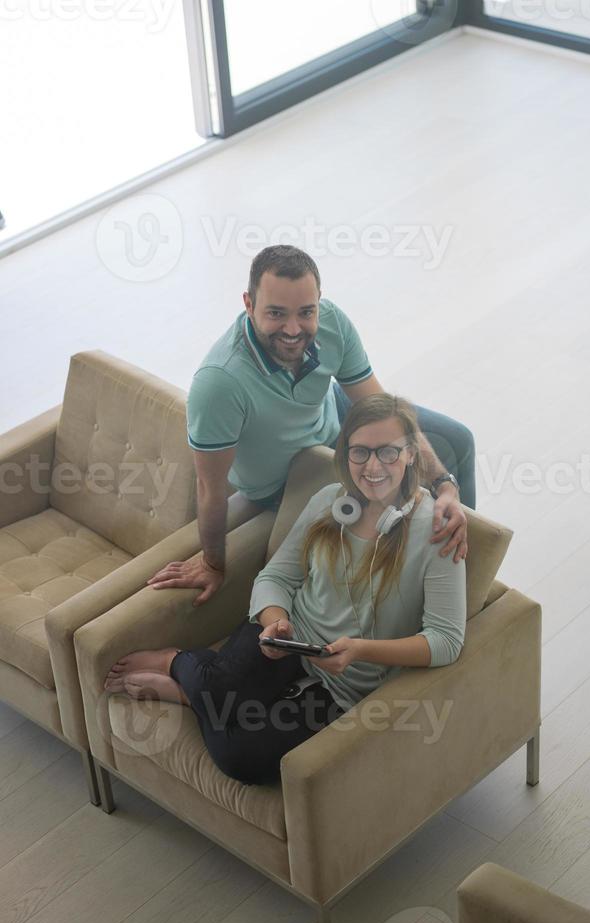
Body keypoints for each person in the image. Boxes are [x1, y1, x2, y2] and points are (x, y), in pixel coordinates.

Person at [105, 394, 467, 785]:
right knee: (225, 692)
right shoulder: (328, 503)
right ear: (345, 454)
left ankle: (185, 685)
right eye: (359, 452)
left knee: (242, 757)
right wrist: (274, 623)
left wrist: (362, 650)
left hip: (346, 683)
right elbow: (276, 577)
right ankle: (181, 665)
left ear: (412, 454)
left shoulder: (438, 532)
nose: (373, 466)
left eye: (388, 452)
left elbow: (446, 640)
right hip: (290, 638)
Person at [147, 245, 475, 606]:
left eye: (306, 312)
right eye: (275, 313)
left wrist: (445, 485)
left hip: (333, 417)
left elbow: (381, 410)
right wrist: (213, 562)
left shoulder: (332, 321)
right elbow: (209, 487)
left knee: (456, 440)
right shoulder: (219, 384)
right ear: (248, 304)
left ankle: (462, 568)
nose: (292, 329)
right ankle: (443, 593)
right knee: (398, 509)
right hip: (292, 476)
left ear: (319, 300)